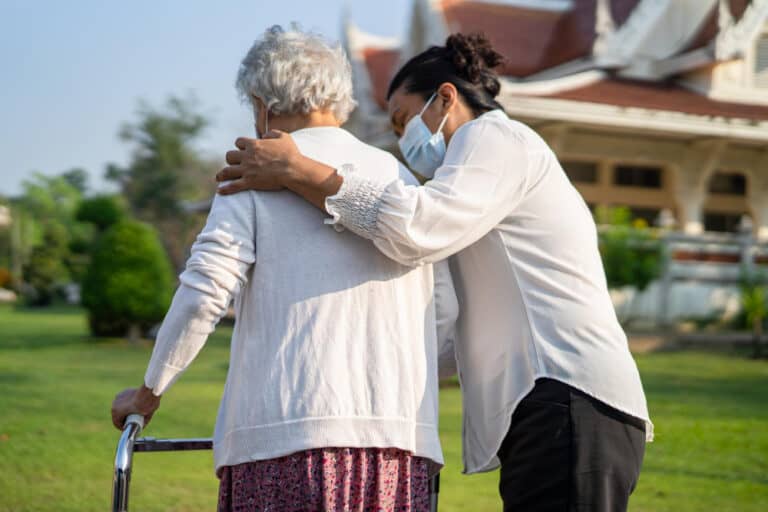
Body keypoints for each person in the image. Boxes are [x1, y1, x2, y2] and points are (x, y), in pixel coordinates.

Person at [216, 32, 653, 511]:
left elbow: (417, 228)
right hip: (547, 408)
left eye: (404, 120)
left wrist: (301, 171)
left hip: (570, 396)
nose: (405, 143)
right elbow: (443, 320)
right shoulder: (468, 185)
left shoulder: (496, 138)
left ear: (446, 96)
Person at [111, 25, 459, 512]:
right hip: (398, 452)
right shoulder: (400, 177)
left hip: (286, 440)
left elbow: (204, 293)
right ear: (339, 97)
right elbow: (443, 307)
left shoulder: (253, 174)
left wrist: (148, 392)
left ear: (261, 106)